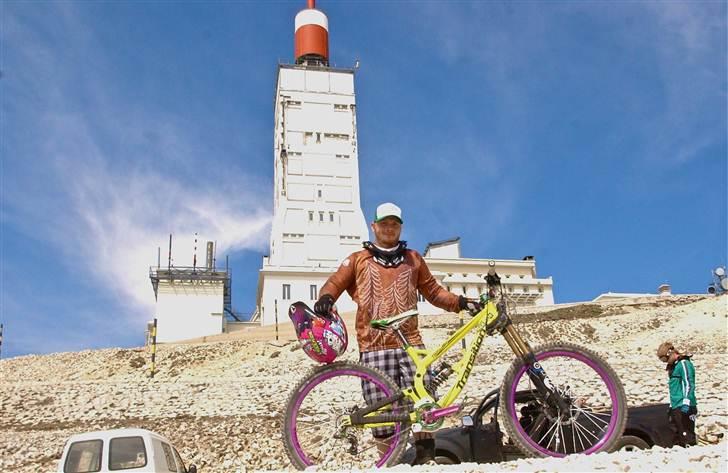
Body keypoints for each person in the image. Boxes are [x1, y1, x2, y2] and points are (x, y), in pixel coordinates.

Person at [314, 202, 482, 465]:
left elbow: (435, 293)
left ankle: (426, 458)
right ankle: (388, 463)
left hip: (411, 344)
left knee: (425, 401)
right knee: (380, 408)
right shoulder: (358, 259)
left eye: (394, 224)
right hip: (373, 344)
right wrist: (326, 298)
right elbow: (335, 281)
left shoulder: (414, 259)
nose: (389, 228)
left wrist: (461, 302)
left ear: (400, 227)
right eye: (384, 224)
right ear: (374, 226)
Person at [657, 341, 698, 447]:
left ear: (671, 353)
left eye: (665, 359)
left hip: (685, 405)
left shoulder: (684, 364)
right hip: (676, 405)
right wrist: (672, 404)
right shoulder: (674, 366)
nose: (665, 362)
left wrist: (686, 401)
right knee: (678, 436)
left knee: (687, 436)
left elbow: (688, 382)